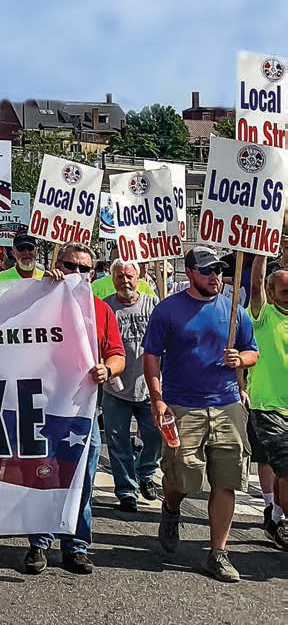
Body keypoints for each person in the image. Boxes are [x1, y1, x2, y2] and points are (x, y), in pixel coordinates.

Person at [144, 245, 259, 583]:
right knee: (182, 478)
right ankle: (171, 507)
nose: (216, 276)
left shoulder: (234, 310)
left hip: (226, 406)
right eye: (208, 270)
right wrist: (157, 399)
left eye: (220, 270)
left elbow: (252, 351)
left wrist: (241, 360)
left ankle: (218, 553)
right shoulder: (168, 310)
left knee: (226, 480)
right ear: (190, 272)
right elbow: (152, 356)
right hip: (182, 407)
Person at [25, 242, 125, 576]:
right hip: (42, 407)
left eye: (85, 268)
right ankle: (40, 542)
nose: (77, 273)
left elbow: (117, 354)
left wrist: (107, 369)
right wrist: (43, 290)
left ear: (94, 273)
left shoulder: (101, 309)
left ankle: (76, 546)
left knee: (82, 480)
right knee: (42, 476)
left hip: (82, 411)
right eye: (70, 266)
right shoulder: (41, 301)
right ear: (58, 265)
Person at [100, 260, 162, 513]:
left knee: (155, 436)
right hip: (116, 389)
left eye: (129, 276)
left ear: (139, 277)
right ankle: (126, 491)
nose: (124, 281)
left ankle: (146, 473)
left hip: (149, 387)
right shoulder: (106, 307)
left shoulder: (153, 304)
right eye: (119, 276)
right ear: (112, 278)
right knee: (118, 442)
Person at [247, 253, 288, 549]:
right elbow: (255, 284)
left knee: (281, 470)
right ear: (271, 293)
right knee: (286, 469)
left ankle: (275, 517)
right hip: (268, 408)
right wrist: (261, 249)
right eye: (284, 289)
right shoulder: (263, 317)